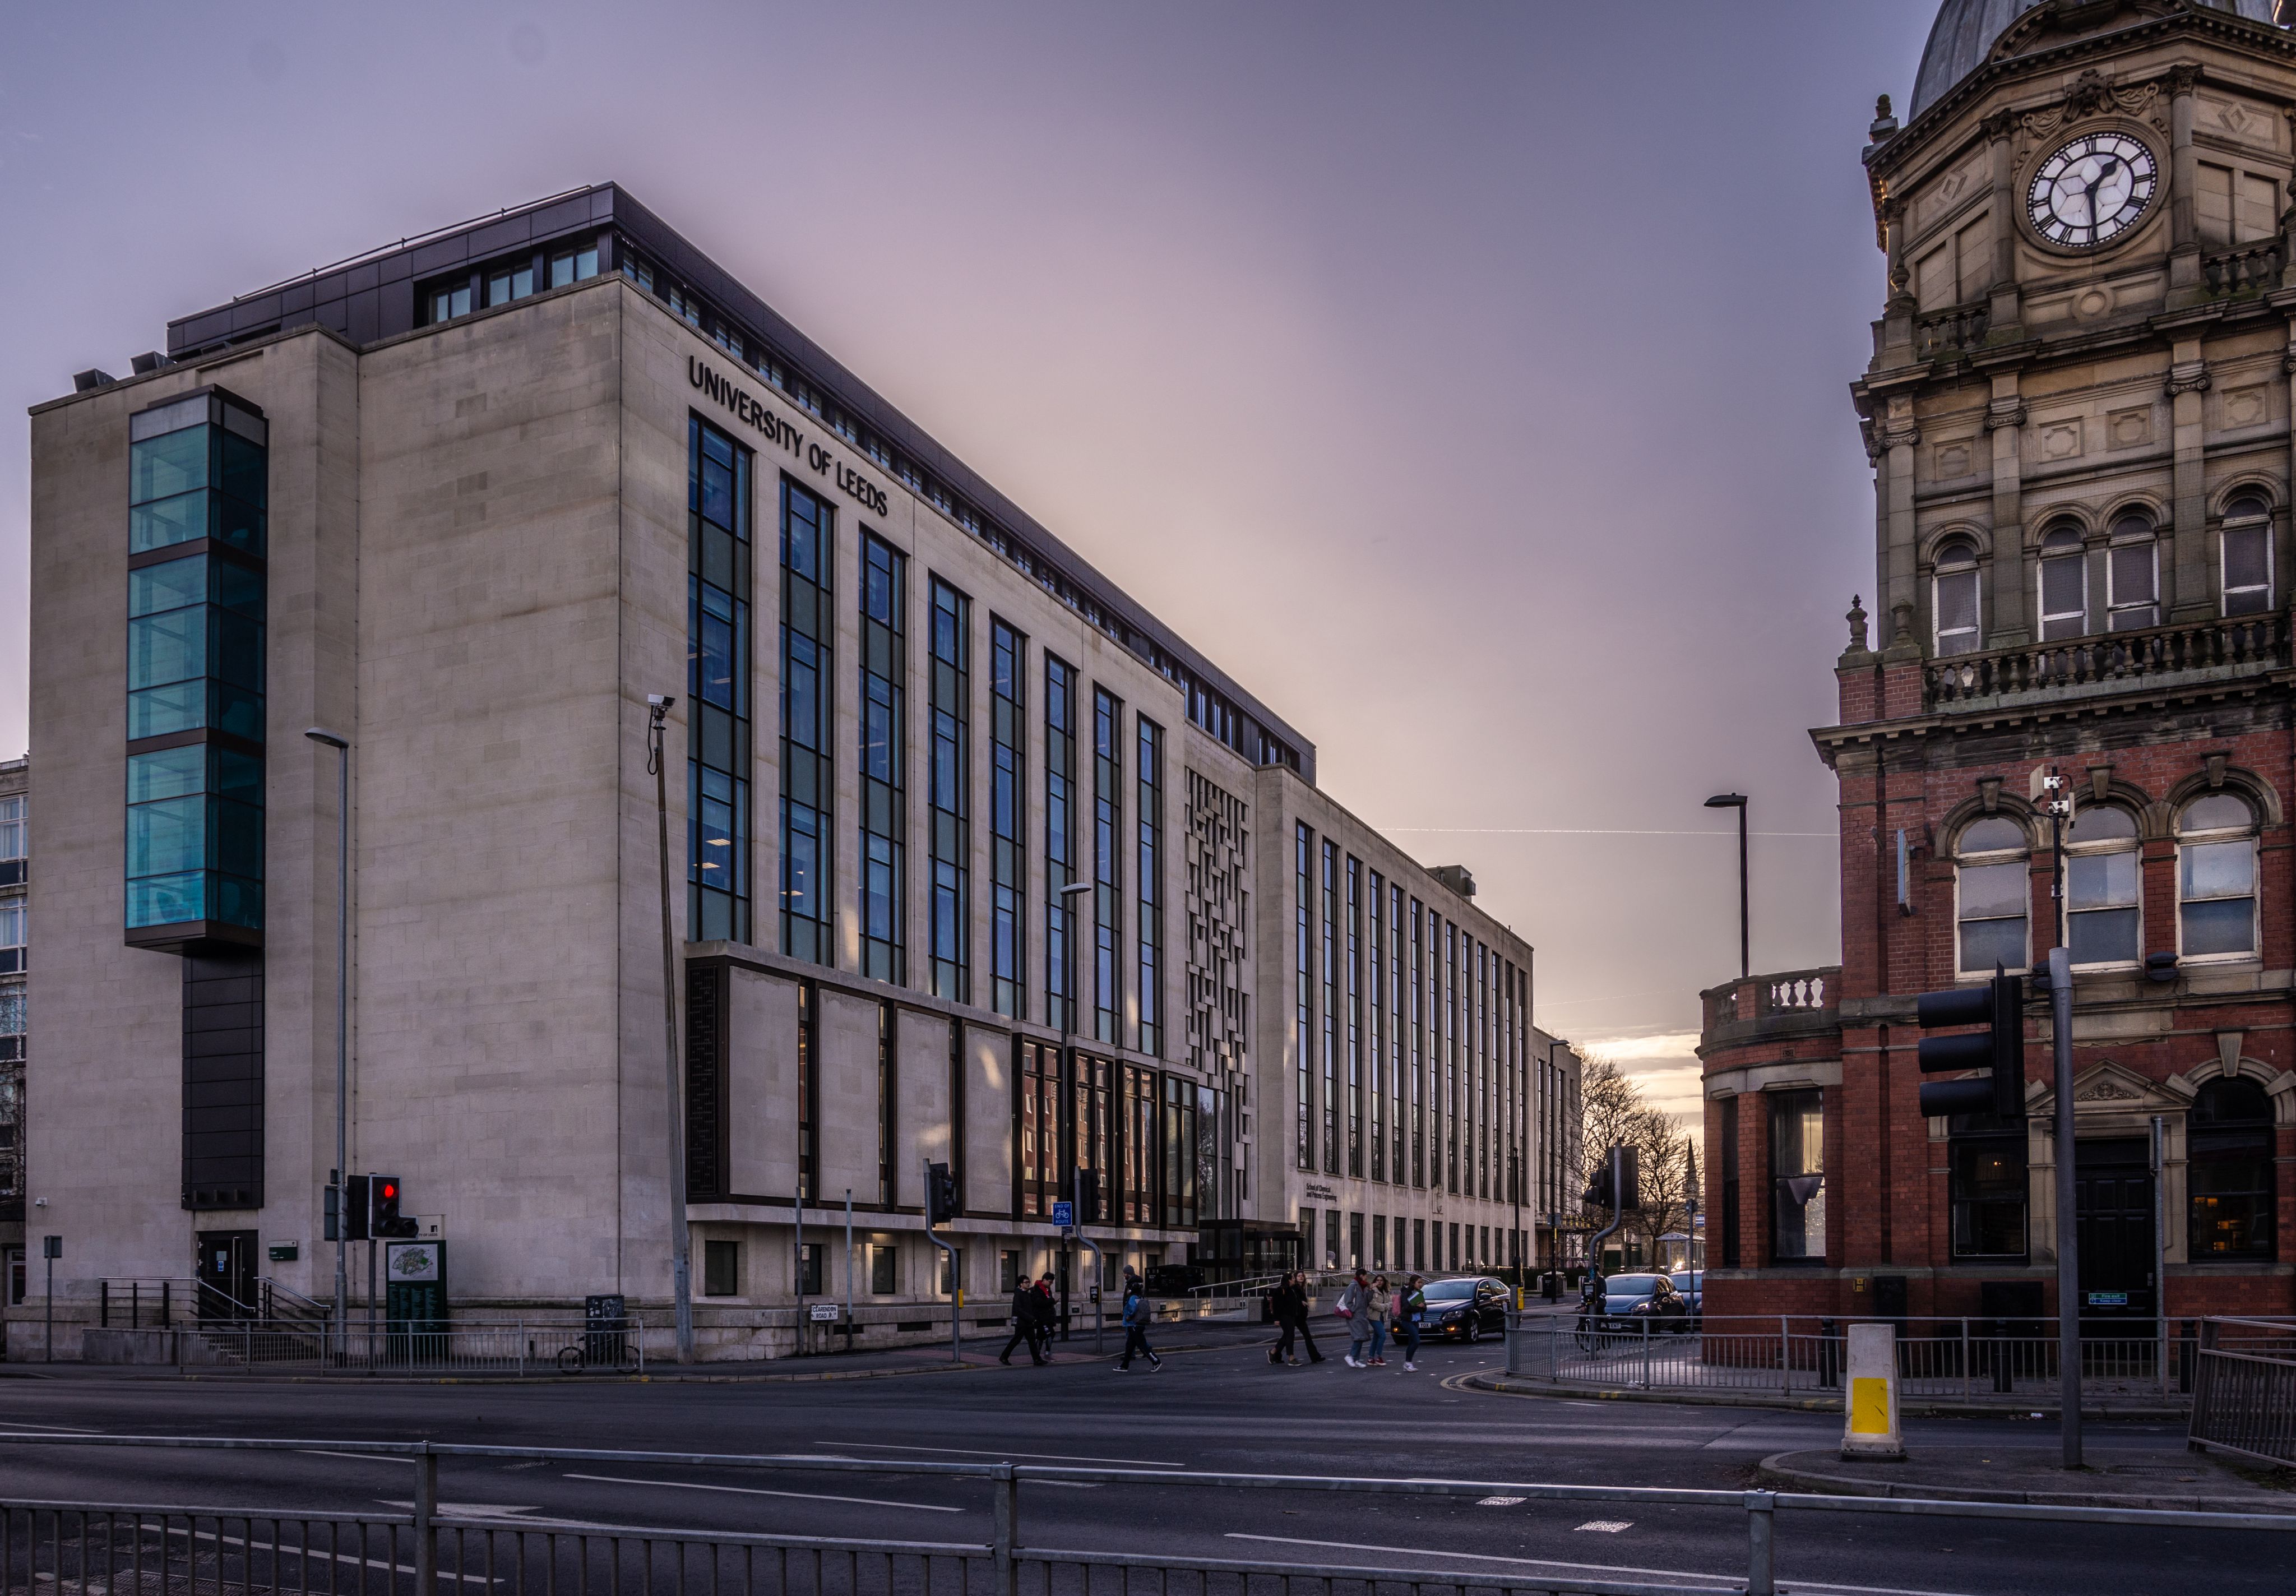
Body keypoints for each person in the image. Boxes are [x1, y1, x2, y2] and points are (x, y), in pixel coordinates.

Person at [1117, 1266, 1162, 1372]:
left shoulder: (1132, 1297)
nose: (1127, 1291)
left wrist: (1128, 1315)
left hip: (1134, 1324)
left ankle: (1156, 1361)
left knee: (1142, 1345)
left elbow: (1133, 1309)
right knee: (1130, 1346)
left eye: (1125, 1273)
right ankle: (1124, 1366)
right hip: (1136, 1324)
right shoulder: (1139, 1296)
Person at [999, 1272, 1044, 1366]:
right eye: (1026, 1282)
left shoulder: (1027, 1294)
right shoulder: (1019, 1294)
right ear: (1021, 1284)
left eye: (1029, 1282)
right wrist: (1031, 1318)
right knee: (1016, 1340)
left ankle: (1037, 1359)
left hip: (1028, 1322)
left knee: (1032, 1341)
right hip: (1021, 1322)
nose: (1028, 1283)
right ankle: (1004, 1357)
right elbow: (1019, 1309)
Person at [1340, 1269, 1377, 1367]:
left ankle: (1356, 1359)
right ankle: (1351, 1355)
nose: (1367, 1278)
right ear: (1361, 1276)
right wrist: (1354, 1311)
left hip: (1362, 1315)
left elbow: (1367, 1301)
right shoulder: (1353, 1286)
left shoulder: (1363, 1287)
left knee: (1361, 1337)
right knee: (1358, 1336)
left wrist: (1371, 1290)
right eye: (1366, 1276)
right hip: (1355, 1316)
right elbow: (1348, 1301)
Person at [1396, 1274, 1425, 1372]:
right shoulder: (1406, 1292)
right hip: (1407, 1320)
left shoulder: (1419, 1293)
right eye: (1419, 1283)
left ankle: (1408, 1363)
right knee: (1416, 1341)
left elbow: (1425, 1308)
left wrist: (1422, 1306)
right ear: (1413, 1283)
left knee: (1412, 1342)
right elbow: (1406, 1307)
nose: (1421, 1285)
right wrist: (1419, 1307)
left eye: (1422, 1283)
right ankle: (1408, 1363)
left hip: (1416, 1320)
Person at [1366, 1274, 1391, 1366]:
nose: (1379, 1282)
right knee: (1383, 1336)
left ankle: (1371, 1358)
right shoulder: (1372, 1290)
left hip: (1382, 1317)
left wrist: (1385, 1306)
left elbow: (1390, 1303)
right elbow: (1372, 1304)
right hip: (1373, 1316)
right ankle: (1378, 1357)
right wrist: (1384, 1307)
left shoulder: (1386, 1291)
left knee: (1376, 1337)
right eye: (1378, 1280)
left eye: (1381, 1280)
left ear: (1384, 1282)